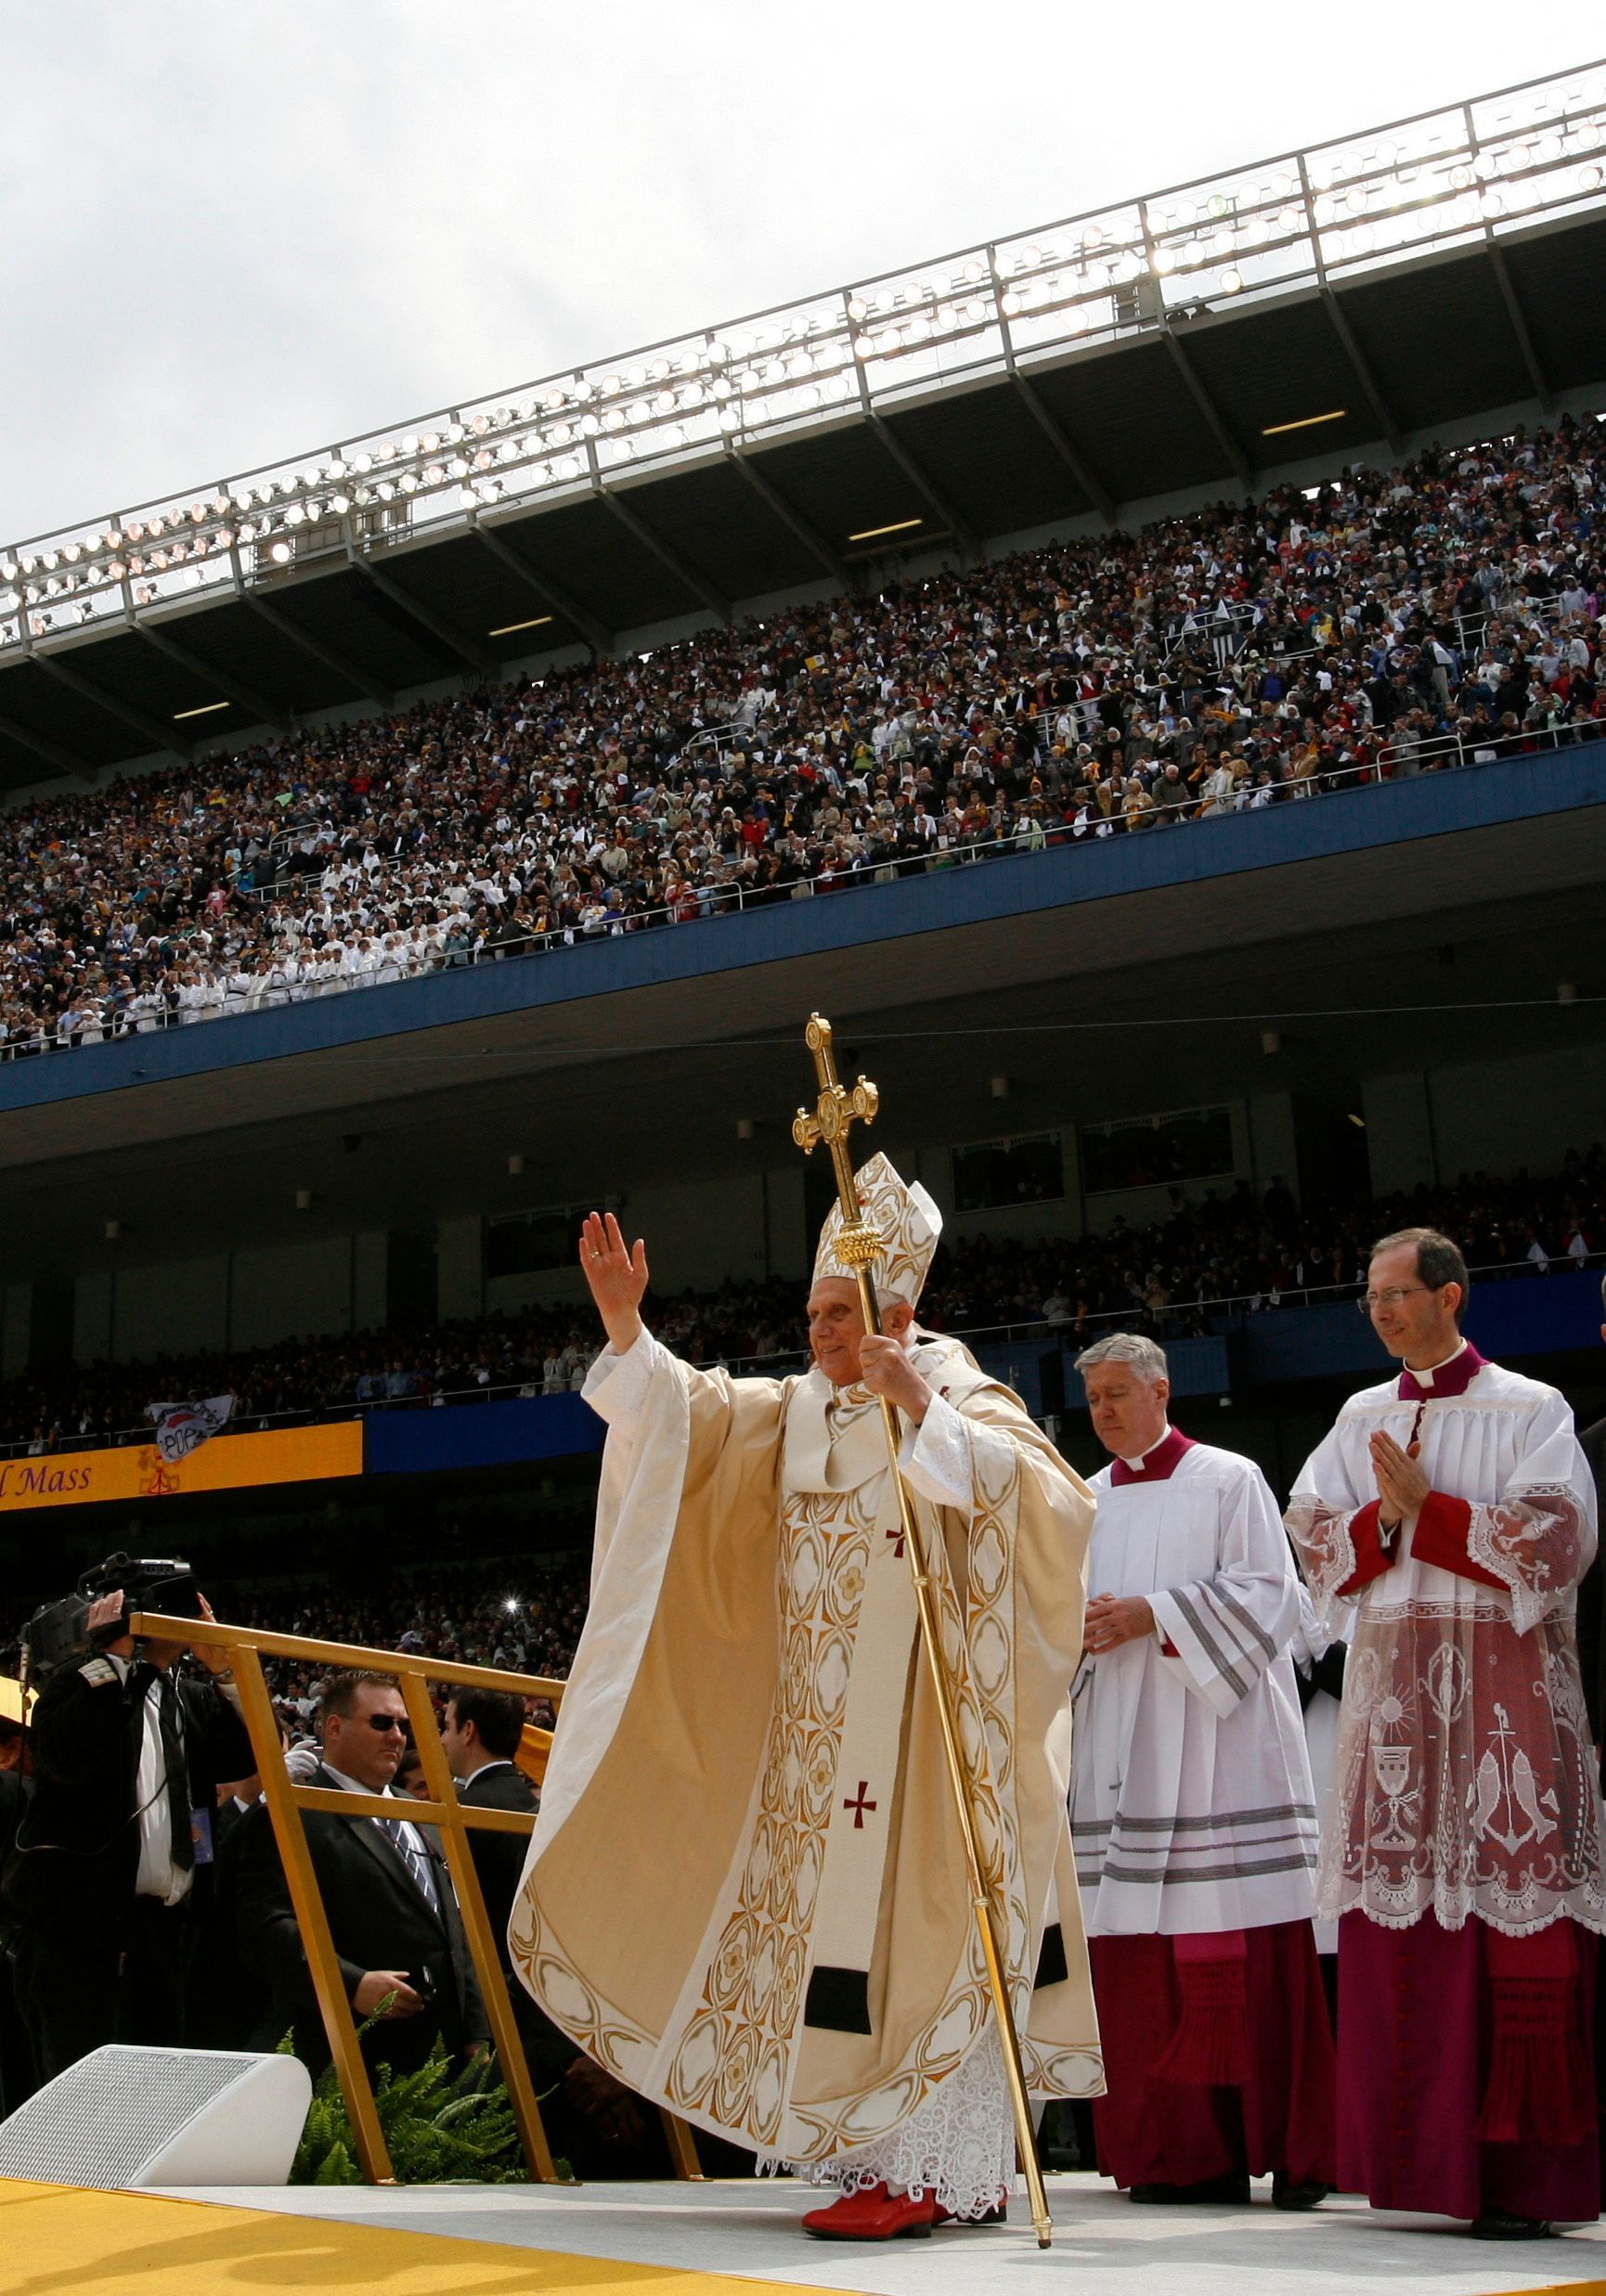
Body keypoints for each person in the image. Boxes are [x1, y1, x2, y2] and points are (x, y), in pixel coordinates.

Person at [512, 1158, 1099, 2239]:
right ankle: (873, 2157)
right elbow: (687, 1416)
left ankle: (938, 2168)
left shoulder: (959, 1394)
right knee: (836, 1956)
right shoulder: (792, 1412)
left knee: (927, 1934)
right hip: (818, 1753)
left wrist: (921, 1409)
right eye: (814, 1312)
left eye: (839, 1312)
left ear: (898, 1310)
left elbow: (1055, 1511)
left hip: (926, 1741)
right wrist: (626, 1330)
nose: (820, 1330)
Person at [1288, 1227, 1605, 2240]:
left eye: (1394, 1292)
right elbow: (1306, 1531)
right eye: (1368, 1296)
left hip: (1502, 1703)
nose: (1378, 1311)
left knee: (1510, 1914)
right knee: (1401, 1920)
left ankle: (1518, 2174)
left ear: (1449, 1296)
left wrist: (1427, 1513)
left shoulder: (1529, 1407)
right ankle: (1415, 2164)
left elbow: (1555, 1541)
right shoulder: (1358, 1414)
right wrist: (1380, 1524)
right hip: (1397, 1706)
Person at [1071, 1334, 1335, 2208]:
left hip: (1222, 1749)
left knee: (1249, 1942)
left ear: (1161, 1390)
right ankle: (1175, 2155)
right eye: (1095, 1397)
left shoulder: (1230, 1479)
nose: (1105, 1411)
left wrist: (1153, 1613)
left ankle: (1290, 2152)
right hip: (1124, 1750)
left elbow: (1270, 1595)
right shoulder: (1083, 1500)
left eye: (1118, 1393)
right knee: (1141, 1961)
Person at [3, 1585, 251, 2079]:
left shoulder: (190, 1696)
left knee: (155, 2100)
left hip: (165, 1931)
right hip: (80, 1932)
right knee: (77, 2094)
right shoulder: (76, 1683)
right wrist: (117, 1661)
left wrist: (225, 1668)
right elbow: (68, 1757)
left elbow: (250, 1756)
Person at [442, 1683, 658, 2176]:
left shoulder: (460, 1815)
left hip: (510, 2036)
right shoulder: (545, 1806)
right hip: (587, 2036)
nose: (442, 1739)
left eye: (446, 1725)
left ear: (468, 1730)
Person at [235, 1670, 487, 2079]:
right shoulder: (292, 1813)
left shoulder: (425, 1812)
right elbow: (264, 1928)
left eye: (402, 1725)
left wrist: (477, 2027)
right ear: (335, 1727)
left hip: (442, 2053)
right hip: (352, 2054)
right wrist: (350, 1984)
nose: (397, 1736)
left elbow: (455, 1926)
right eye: (381, 1723)